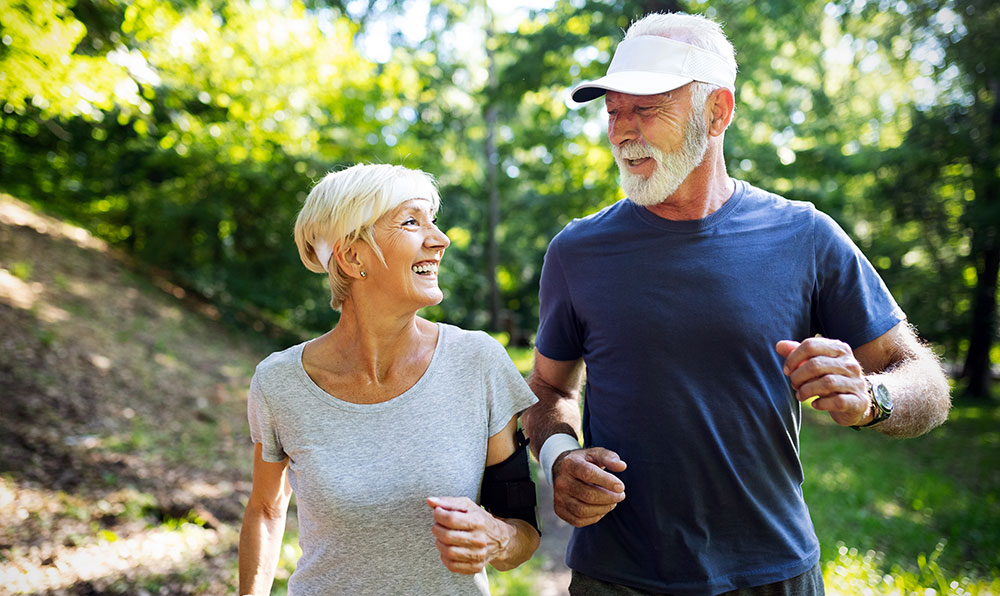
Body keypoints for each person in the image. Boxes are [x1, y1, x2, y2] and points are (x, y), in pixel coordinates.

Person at [521, 12, 952, 596]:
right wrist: (558, 456)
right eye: (613, 110)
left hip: (774, 573)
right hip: (618, 578)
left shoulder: (807, 236)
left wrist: (873, 397)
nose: (622, 130)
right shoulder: (576, 251)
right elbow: (550, 389)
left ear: (717, 111)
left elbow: (925, 379)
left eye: (646, 108)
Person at [238, 163, 540, 596]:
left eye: (433, 221)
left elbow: (523, 533)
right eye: (411, 222)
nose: (440, 240)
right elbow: (266, 510)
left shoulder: (478, 363)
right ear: (352, 256)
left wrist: (496, 537)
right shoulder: (280, 382)